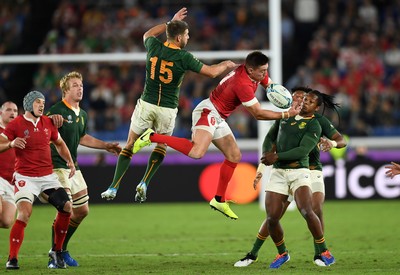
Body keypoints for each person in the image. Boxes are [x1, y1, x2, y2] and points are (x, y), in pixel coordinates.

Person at [133, 51, 301, 220]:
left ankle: (219, 199)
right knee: (196, 152)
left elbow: (271, 87)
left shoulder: (254, 73)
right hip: (208, 111)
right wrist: (286, 114)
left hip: (219, 116)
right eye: (262, 71)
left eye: (266, 70)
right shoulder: (242, 84)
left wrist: (288, 99)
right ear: (250, 70)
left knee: (234, 155)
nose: (265, 74)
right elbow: (258, 114)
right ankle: (151, 136)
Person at [101, 7, 237, 201]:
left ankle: (113, 187)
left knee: (130, 144)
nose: (188, 38)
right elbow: (212, 72)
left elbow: (147, 34)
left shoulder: (154, 47)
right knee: (161, 145)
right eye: (187, 35)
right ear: (179, 38)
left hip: (147, 103)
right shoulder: (184, 57)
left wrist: (168, 23)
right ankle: (144, 182)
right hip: (167, 109)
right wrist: (226, 64)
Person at [234, 88, 346, 268]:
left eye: (304, 98)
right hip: (281, 170)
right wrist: (263, 164)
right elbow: (269, 139)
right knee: (272, 217)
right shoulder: (285, 117)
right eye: (296, 98)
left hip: (309, 170)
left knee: (313, 209)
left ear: (314, 104)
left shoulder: (317, 121)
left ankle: (321, 252)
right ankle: (256, 253)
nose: (299, 101)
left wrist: (331, 143)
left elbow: (339, 141)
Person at [45, 71, 121, 267]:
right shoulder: (57, 110)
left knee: (82, 211)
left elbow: (82, 138)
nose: (80, 88)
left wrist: (106, 146)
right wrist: (49, 119)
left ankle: (62, 248)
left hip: (73, 167)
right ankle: (55, 254)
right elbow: (43, 128)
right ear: (65, 90)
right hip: (57, 166)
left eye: (81, 85)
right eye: (75, 85)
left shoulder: (83, 114)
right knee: (66, 208)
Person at [0, 91, 76, 270]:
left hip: (47, 177)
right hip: (25, 177)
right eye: (38, 102)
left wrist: (70, 161)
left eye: (43, 102)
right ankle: (13, 258)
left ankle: (56, 251)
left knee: (67, 207)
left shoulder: (48, 122)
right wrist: (11, 144)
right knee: (25, 213)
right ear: (28, 105)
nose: (42, 105)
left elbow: (60, 143)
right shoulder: (16, 124)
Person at [0, 102, 18, 233]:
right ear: (1, 113)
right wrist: (10, 144)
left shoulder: (20, 133)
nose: (12, 113)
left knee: (6, 221)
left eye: (15, 110)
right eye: (9, 110)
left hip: (11, 182)